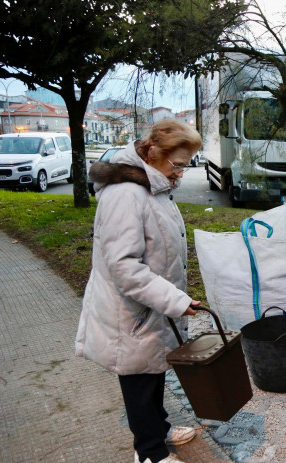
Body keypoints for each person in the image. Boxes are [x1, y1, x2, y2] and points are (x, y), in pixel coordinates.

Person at [75, 120, 202, 463]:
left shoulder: (153, 186)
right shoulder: (125, 194)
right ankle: (149, 453)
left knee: (154, 370)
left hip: (150, 306)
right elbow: (124, 268)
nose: (180, 174)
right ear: (152, 153)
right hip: (129, 310)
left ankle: (157, 429)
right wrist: (175, 299)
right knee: (139, 382)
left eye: (186, 167)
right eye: (177, 165)